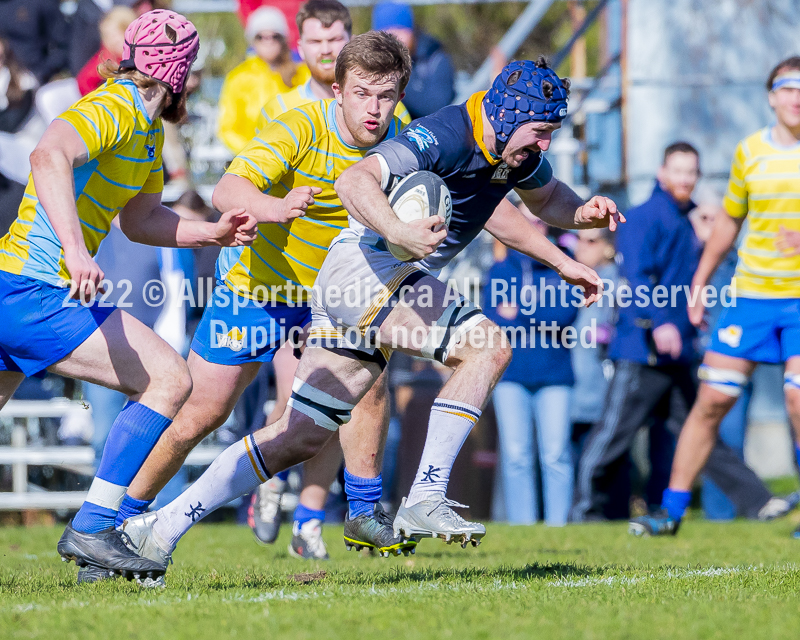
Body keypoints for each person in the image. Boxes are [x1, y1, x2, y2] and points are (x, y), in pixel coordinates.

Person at [120, 57, 621, 578]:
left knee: (301, 436)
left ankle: (156, 531)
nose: (544, 146)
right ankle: (426, 494)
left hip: (372, 280)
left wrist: (580, 218)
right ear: (509, 111)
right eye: (540, 133)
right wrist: (399, 232)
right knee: (488, 346)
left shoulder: (513, 154)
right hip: (364, 269)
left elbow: (545, 200)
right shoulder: (445, 132)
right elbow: (355, 182)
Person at [117, 32, 415, 571]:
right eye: (363, 93)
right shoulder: (301, 126)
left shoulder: (404, 138)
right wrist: (275, 207)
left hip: (335, 295)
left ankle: (362, 510)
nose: (374, 109)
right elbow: (227, 191)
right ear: (337, 89)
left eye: (386, 95)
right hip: (260, 288)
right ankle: (119, 520)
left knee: (365, 380)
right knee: (202, 412)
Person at [0, 10, 257, 584]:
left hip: (14, 284)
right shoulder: (114, 107)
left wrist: (208, 232)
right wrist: (74, 250)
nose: (193, 82)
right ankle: (94, 527)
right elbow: (47, 156)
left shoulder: (143, 130)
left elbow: (140, 219)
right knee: (169, 380)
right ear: (179, 72)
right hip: (33, 286)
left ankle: (97, 536)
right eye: (191, 71)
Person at [246, 0, 412, 553]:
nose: (325, 49)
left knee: (360, 387)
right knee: (298, 396)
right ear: (302, 45)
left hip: (352, 283)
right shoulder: (288, 109)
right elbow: (246, 180)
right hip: (286, 280)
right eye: (316, 40)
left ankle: (311, 518)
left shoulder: (390, 116)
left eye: (335, 38)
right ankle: (267, 481)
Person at [573, 142, 789, 523]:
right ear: (662, 173)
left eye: (692, 172)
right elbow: (637, 278)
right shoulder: (644, 217)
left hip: (680, 351)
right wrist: (659, 322)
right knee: (612, 437)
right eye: (678, 170)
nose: (685, 179)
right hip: (641, 352)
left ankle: (758, 502)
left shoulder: (692, 218)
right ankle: (583, 512)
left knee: (702, 427)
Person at [631, 57, 800, 538]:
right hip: (750, 299)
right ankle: (671, 511)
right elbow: (729, 223)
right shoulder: (750, 153)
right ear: (771, 96)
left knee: (796, 399)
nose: (795, 96)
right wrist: (701, 281)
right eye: (787, 87)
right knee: (709, 402)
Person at [485, 229, 578, 526]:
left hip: (555, 376)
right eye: (526, 220)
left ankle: (559, 525)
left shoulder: (564, 263)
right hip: (511, 377)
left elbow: (564, 313)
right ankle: (522, 526)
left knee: (556, 455)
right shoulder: (500, 270)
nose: (534, 226)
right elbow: (493, 319)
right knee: (515, 456)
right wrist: (539, 314)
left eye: (538, 220)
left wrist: (520, 311)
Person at [217, 6, 310, 155]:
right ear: (252, 40)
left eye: (275, 36)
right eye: (261, 36)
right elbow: (227, 129)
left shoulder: (302, 74)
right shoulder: (238, 77)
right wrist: (256, 154)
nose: (268, 41)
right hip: (253, 162)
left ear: (284, 39)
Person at [371, 1, 454, 119]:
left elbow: (436, 107)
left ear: (411, 31)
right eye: (388, 33)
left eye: (400, 30)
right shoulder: (368, 63)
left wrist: (395, 73)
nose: (395, 39)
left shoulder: (434, 58)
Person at [0, 0, 68, 84]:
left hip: (33, 76)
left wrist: (43, 73)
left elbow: (63, 44)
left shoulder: (41, 3)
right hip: (4, 73)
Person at [77, 6, 137, 95]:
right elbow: (84, 81)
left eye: (115, 34)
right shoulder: (107, 56)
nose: (111, 40)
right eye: (107, 36)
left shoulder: (140, 52)